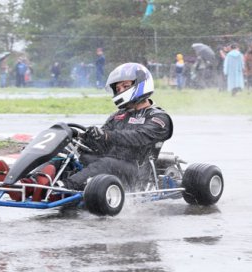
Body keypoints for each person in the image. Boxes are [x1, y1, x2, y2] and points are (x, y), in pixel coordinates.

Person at [58, 62, 173, 191]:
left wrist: (107, 135)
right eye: (118, 89)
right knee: (69, 153)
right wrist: (83, 136)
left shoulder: (158, 117)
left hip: (136, 172)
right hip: (111, 163)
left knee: (107, 163)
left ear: (141, 84)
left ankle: (63, 187)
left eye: (125, 86)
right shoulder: (118, 116)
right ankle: (41, 180)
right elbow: (102, 143)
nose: (121, 91)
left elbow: (139, 137)